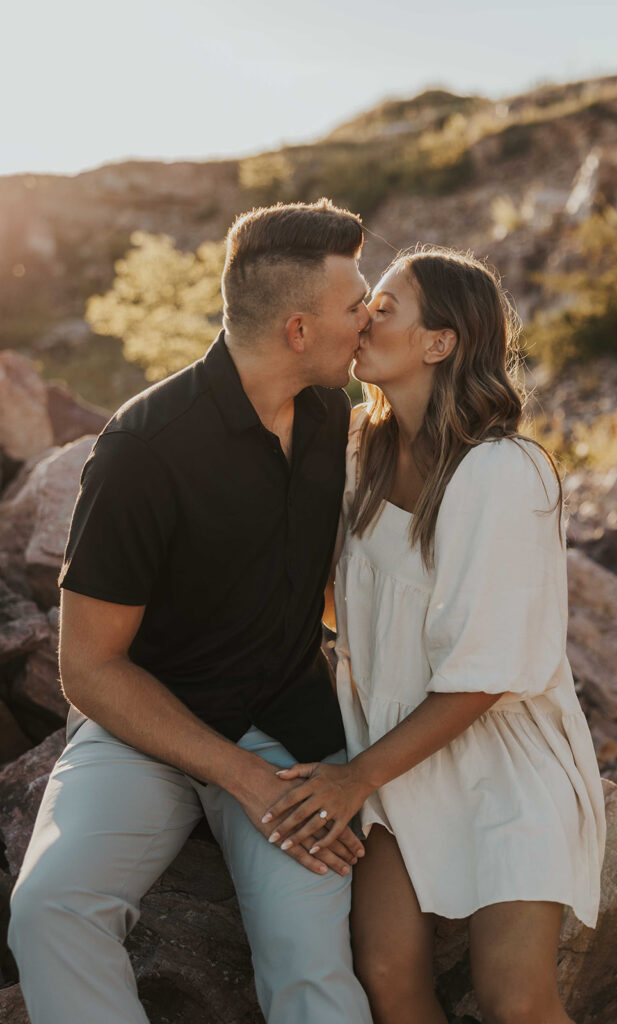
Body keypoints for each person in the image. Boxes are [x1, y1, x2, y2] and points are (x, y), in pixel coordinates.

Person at [8, 199, 374, 1024]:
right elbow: (87, 667)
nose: (369, 317)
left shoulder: (330, 415)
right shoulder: (144, 450)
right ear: (297, 329)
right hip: (149, 725)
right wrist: (238, 776)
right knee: (50, 910)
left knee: (312, 966)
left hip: (285, 725)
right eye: (353, 305)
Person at [261, 247, 607, 1024]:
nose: (363, 317)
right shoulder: (358, 448)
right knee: (384, 972)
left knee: (512, 997)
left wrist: (352, 779)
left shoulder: (504, 471)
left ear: (438, 343)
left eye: (383, 306)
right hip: (393, 756)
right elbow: (345, 604)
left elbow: (483, 674)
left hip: (503, 762)